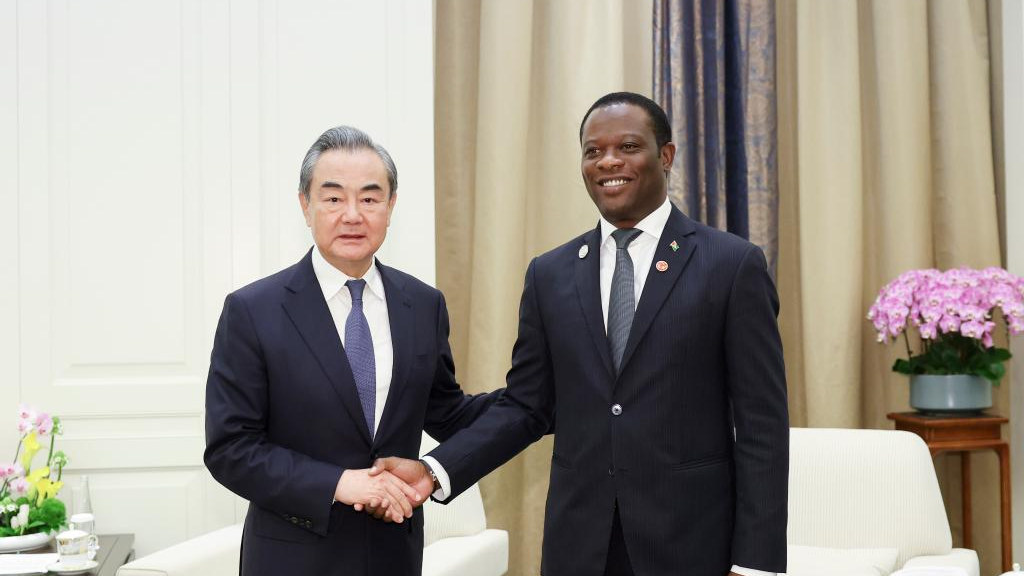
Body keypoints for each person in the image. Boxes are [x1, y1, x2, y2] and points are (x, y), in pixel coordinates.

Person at [369, 93, 789, 576]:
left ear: (666, 156)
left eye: (628, 146)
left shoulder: (731, 265)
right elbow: (527, 407)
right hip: (580, 547)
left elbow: (763, 426)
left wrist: (757, 564)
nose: (608, 161)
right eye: (593, 151)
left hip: (692, 545)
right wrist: (432, 470)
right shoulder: (550, 274)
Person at [204, 125, 500, 575]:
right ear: (305, 205)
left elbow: (446, 412)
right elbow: (231, 449)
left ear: (391, 205)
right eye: (333, 197)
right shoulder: (252, 311)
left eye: (369, 197)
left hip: (392, 556)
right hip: (291, 558)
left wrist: (535, 399)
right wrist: (340, 483)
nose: (352, 214)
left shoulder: (422, 304)